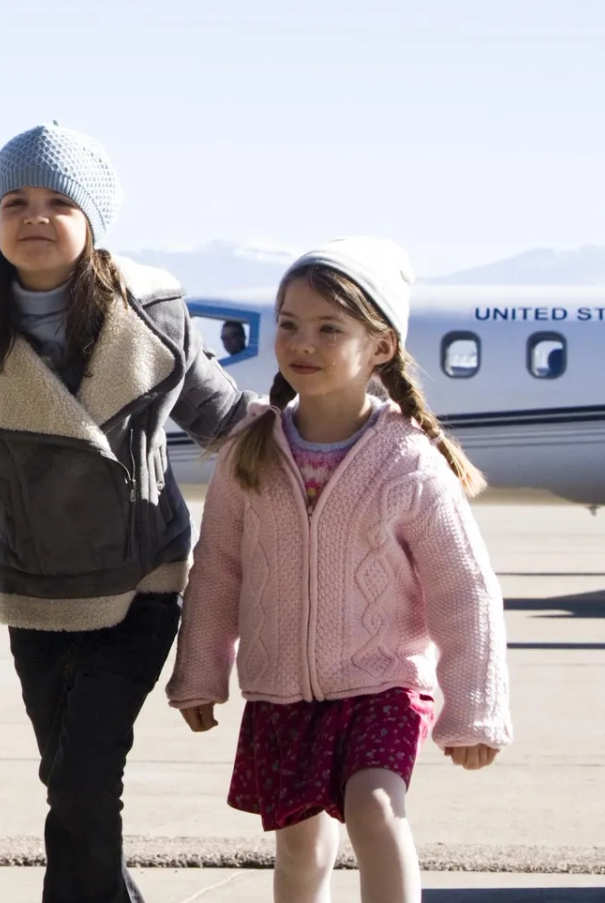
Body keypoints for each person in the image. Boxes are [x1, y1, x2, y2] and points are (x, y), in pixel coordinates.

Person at [0, 123, 253, 903]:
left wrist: (343, 440)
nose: (34, 216)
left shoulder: (155, 311)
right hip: (36, 594)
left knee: (87, 779)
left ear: (94, 220)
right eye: (15, 201)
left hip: (141, 585)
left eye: (59, 201)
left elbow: (228, 423)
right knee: (68, 784)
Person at [167, 239, 511, 903]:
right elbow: (216, 572)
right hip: (281, 692)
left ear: (380, 346)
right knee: (299, 850)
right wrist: (200, 673)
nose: (303, 342)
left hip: (383, 686)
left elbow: (463, 589)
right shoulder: (252, 449)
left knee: (376, 811)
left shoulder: (407, 462)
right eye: (290, 324)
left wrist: (474, 707)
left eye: (330, 328)